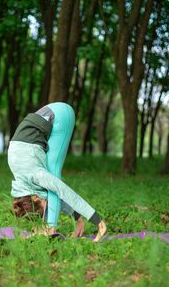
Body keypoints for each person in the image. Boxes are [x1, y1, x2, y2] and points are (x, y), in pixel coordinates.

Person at [8, 102, 107, 242]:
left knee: (54, 182)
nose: (46, 209)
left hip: (60, 115)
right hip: (40, 123)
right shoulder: (22, 185)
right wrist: (78, 218)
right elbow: (50, 197)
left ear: (35, 197)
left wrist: (98, 221)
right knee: (51, 190)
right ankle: (49, 227)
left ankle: (50, 228)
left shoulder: (36, 175)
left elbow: (62, 191)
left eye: (44, 210)